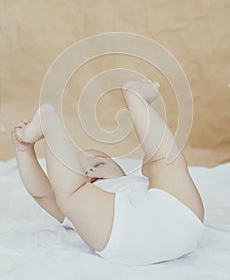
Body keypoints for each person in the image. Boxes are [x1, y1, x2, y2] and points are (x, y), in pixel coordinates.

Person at [12, 79, 204, 266]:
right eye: (79, 171)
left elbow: (150, 158)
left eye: (99, 163)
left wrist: (150, 164)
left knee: (163, 160)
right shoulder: (79, 209)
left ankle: (136, 98)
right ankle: (49, 122)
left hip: (180, 216)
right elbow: (42, 193)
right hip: (126, 233)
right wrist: (24, 150)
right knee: (70, 194)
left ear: (122, 172)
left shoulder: (137, 183)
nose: (89, 169)